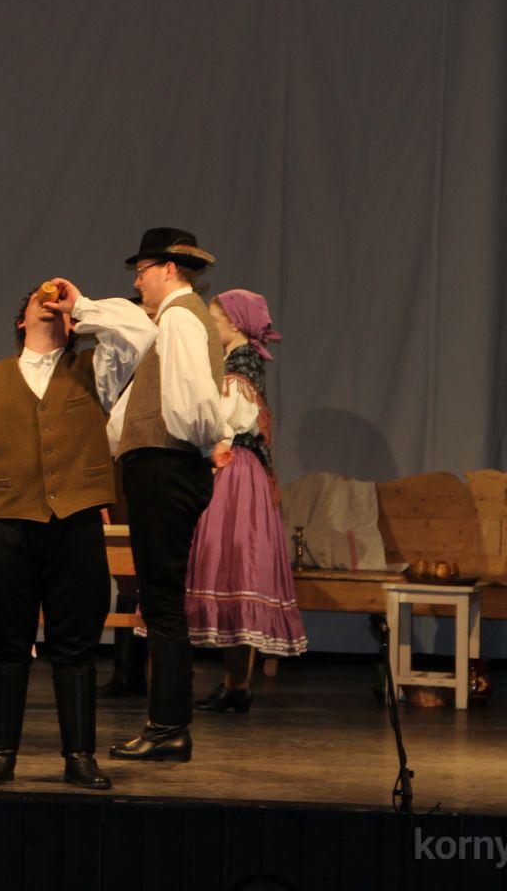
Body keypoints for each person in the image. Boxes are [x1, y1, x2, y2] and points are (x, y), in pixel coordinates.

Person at [0, 284, 150, 790]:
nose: (49, 303)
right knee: (8, 643)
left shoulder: (97, 369)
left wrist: (81, 305)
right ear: (21, 322)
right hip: (9, 524)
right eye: (36, 301)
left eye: (57, 303)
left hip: (76, 525)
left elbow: (142, 331)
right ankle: (2, 754)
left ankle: (80, 756)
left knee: (76, 647)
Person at [57, 227, 231, 763]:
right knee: (160, 599)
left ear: (168, 270)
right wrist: (82, 304)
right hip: (167, 464)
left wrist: (203, 442)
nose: (137, 281)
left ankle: (169, 726)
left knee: (161, 600)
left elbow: (191, 400)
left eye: (142, 271)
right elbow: (127, 323)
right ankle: (167, 723)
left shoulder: (179, 317)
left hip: (164, 464)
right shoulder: (173, 317)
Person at [187, 289, 307, 710]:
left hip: (233, 472)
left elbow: (224, 425)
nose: (210, 326)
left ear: (235, 324)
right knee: (236, 573)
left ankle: (235, 684)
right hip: (239, 471)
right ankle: (235, 684)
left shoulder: (239, 369)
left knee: (236, 567)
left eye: (215, 319)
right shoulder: (238, 362)